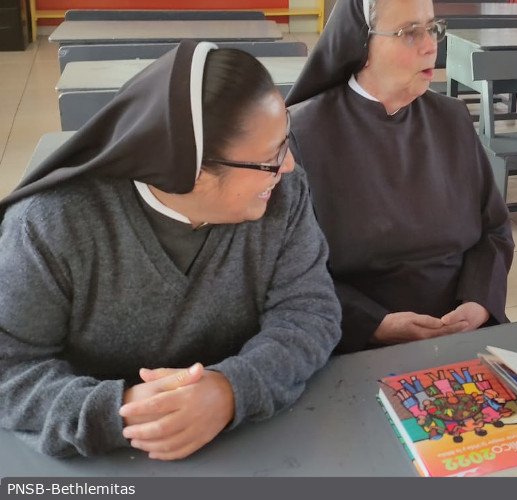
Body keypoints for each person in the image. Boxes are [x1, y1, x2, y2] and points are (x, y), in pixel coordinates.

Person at [0, 41, 342, 459]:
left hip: (250, 448)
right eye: (272, 158)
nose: (288, 167)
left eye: (286, 140)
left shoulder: (284, 195)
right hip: (102, 464)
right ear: (192, 173)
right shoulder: (50, 224)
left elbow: (309, 313)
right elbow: (10, 369)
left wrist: (231, 390)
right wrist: (128, 411)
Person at [285, 0, 514, 353]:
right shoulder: (302, 134)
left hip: (464, 328)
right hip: (355, 339)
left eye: (432, 28)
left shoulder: (452, 118)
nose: (430, 45)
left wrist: (480, 301)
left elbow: (494, 229)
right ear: (362, 45)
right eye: (410, 33)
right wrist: (374, 325)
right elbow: (292, 272)